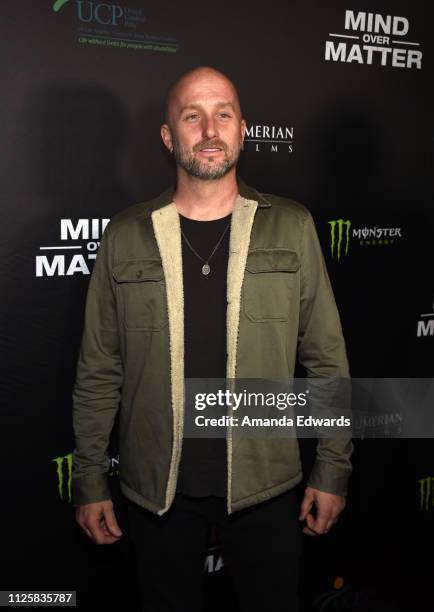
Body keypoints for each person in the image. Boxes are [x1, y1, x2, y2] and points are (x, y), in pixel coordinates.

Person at [72, 66, 353, 611]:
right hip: (156, 493)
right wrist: (89, 479)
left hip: (267, 486)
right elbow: (99, 369)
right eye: (191, 115)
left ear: (242, 128)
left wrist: (333, 467)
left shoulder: (292, 227)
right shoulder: (124, 236)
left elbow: (327, 359)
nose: (209, 129)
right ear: (167, 135)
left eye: (223, 114)